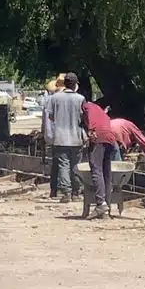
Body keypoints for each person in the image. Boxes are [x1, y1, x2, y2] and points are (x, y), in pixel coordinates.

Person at [44, 73, 85, 202]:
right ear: (75, 85)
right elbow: (85, 117)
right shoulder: (81, 99)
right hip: (76, 138)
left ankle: (66, 192)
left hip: (60, 138)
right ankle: (76, 193)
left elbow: (51, 117)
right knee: (75, 166)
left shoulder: (55, 98)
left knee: (63, 165)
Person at [82, 100, 117, 217]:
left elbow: (90, 115)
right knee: (106, 172)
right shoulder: (101, 112)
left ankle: (101, 203)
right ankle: (107, 202)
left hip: (99, 137)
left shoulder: (88, 106)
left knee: (96, 170)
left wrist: (91, 130)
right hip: (110, 139)